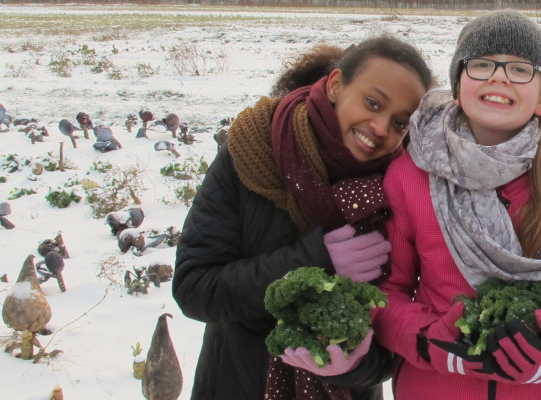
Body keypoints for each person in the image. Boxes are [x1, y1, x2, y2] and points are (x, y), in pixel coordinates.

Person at [372, 10, 541, 400]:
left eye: (520, 69)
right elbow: (386, 289)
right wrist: (426, 339)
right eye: (481, 65)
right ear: (458, 83)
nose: (498, 77)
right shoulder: (411, 175)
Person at [172, 36, 435, 400]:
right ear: (336, 85)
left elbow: (397, 331)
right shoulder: (253, 149)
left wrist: (355, 364)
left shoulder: (398, 190)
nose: (380, 128)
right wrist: (314, 261)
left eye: (400, 123)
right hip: (238, 383)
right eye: (372, 103)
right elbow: (195, 288)